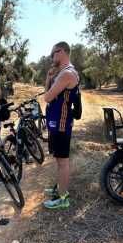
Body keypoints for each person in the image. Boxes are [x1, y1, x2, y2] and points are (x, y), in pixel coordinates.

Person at [42, 42, 80, 209]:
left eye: (54, 53)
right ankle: (59, 188)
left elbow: (47, 97)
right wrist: (49, 77)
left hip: (61, 124)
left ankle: (63, 198)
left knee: (63, 161)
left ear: (63, 51)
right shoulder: (61, 73)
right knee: (59, 160)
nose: (52, 57)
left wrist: (50, 78)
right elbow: (48, 93)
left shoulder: (67, 74)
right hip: (56, 123)